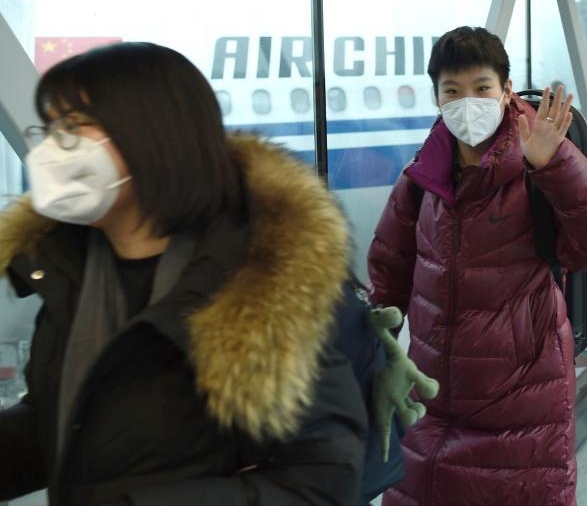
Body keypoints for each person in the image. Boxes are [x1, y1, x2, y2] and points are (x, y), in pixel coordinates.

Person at [0, 42, 368, 506]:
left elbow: (323, 479)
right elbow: (62, 421)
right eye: (50, 128)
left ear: (152, 134)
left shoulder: (258, 287)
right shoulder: (66, 267)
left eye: (74, 127)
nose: (51, 150)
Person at [367, 26, 587, 506]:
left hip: (521, 401)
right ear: (436, 98)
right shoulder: (423, 178)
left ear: (506, 90)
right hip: (431, 396)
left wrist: (553, 165)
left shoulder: (539, 161)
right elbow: (390, 267)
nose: (467, 103)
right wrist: (375, 348)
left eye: (481, 88)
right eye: (452, 91)